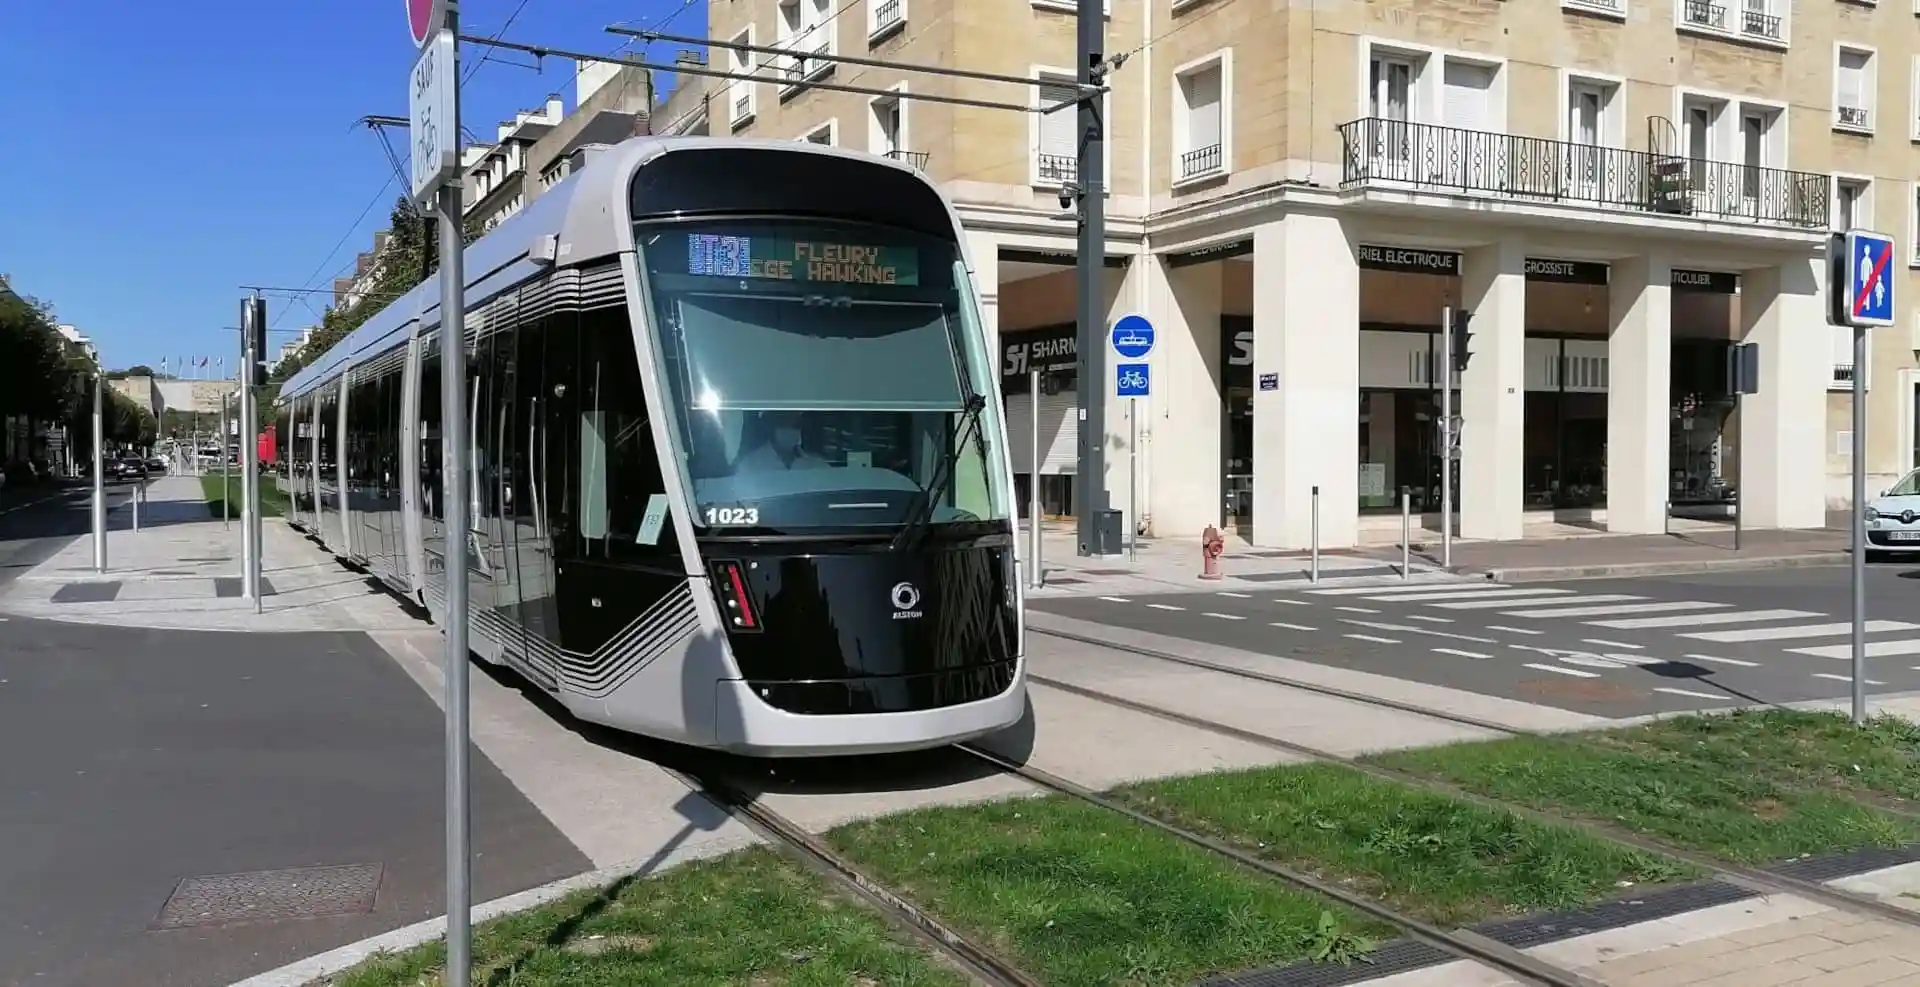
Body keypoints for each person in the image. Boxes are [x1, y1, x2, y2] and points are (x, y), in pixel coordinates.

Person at [735, 410, 829, 472]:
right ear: (771, 425)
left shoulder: (818, 466)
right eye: (784, 423)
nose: (791, 429)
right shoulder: (750, 465)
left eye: (795, 425)